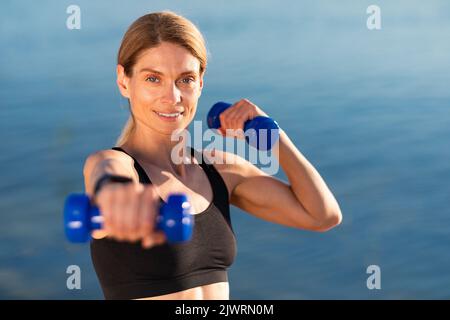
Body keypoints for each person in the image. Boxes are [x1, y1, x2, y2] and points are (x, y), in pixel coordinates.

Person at [83, 11, 342, 300]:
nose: (172, 97)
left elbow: (323, 216)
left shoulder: (220, 170)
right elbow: (105, 175)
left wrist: (274, 136)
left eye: (185, 79)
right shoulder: (118, 165)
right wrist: (115, 199)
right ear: (124, 81)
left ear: (200, 83)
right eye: (153, 78)